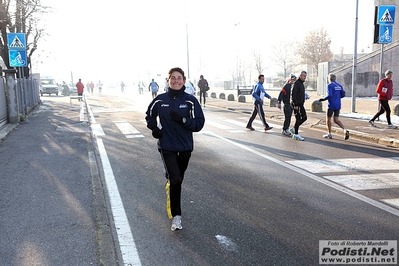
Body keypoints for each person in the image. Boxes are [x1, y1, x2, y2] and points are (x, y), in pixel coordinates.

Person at [145, 67, 205, 231]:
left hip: (185, 147)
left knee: (178, 178)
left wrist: (184, 120)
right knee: (176, 179)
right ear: (168, 80)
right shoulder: (160, 100)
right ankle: (176, 217)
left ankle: (171, 182)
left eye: (179, 78)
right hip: (167, 146)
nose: (176, 81)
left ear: (184, 81)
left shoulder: (191, 101)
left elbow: (199, 124)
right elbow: (149, 115)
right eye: (173, 78)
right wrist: (154, 128)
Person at [319, 73, 350, 140]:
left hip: (331, 105)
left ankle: (329, 133)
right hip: (338, 104)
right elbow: (343, 94)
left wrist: (323, 99)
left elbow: (330, 95)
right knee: (336, 120)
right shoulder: (339, 85)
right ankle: (344, 129)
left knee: (328, 119)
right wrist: (338, 97)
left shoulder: (329, 85)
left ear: (329, 79)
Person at [291, 71, 308, 141]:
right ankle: (296, 134)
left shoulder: (301, 83)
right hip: (297, 104)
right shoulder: (296, 83)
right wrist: (295, 104)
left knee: (304, 117)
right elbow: (293, 94)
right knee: (298, 118)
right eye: (304, 76)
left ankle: (294, 128)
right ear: (300, 76)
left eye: (305, 76)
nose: (305, 78)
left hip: (301, 104)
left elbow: (300, 93)